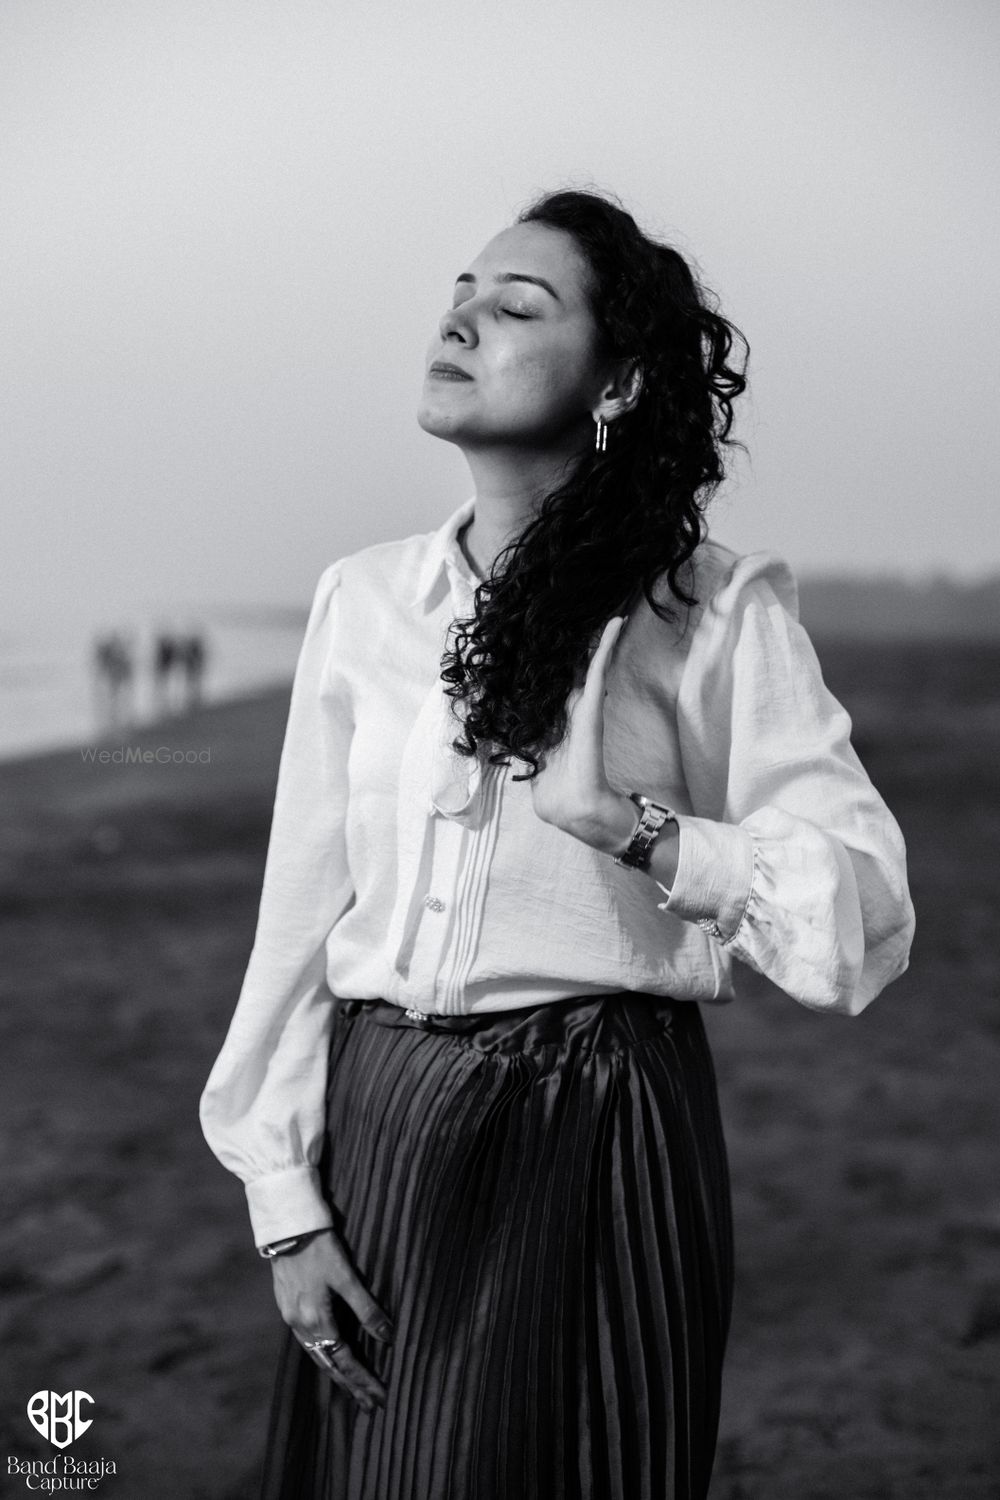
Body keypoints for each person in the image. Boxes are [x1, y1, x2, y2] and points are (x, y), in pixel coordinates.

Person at [198, 188, 915, 1500]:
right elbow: (299, 919)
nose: (464, 316)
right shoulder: (363, 602)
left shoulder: (712, 612)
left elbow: (865, 922)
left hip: (602, 1132)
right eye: (461, 293)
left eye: (518, 306)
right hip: (381, 1122)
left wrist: (636, 832)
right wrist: (284, 1206)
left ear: (619, 382)